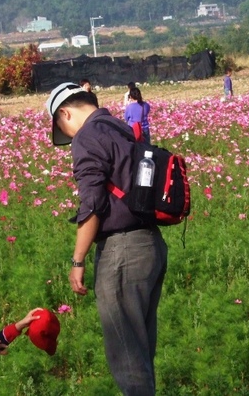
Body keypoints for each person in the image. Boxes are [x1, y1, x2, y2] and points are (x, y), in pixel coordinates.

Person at [46, 82, 168, 395]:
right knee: (140, 350)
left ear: (65, 112)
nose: (69, 137)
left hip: (123, 251)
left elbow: (93, 204)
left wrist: (78, 260)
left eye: (63, 127)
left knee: (127, 355)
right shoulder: (122, 129)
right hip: (150, 245)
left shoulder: (87, 136)